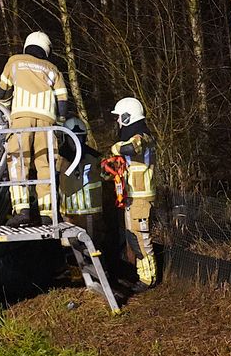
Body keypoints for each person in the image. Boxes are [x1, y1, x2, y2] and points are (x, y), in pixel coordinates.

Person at [0, 31, 70, 225]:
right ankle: (48, 214)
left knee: (18, 162)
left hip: (21, 120)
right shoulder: (53, 69)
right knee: (46, 166)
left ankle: (22, 210)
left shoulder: (15, 62)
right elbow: (63, 101)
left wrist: (6, 106)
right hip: (47, 124)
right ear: (47, 49)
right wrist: (59, 123)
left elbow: (2, 92)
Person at [108, 97, 156, 290]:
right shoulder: (134, 136)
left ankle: (148, 278)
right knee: (133, 237)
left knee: (141, 238)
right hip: (132, 196)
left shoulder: (142, 136)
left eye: (119, 117)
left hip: (141, 196)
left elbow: (130, 147)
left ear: (128, 117)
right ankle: (141, 275)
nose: (118, 122)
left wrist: (115, 148)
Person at [56, 117, 105, 245]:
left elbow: (105, 176)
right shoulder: (60, 157)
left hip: (89, 214)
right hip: (69, 214)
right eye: (72, 138)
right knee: (70, 247)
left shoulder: (94, 157)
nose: (76, 142)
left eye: (79, 138)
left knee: (91, 246)